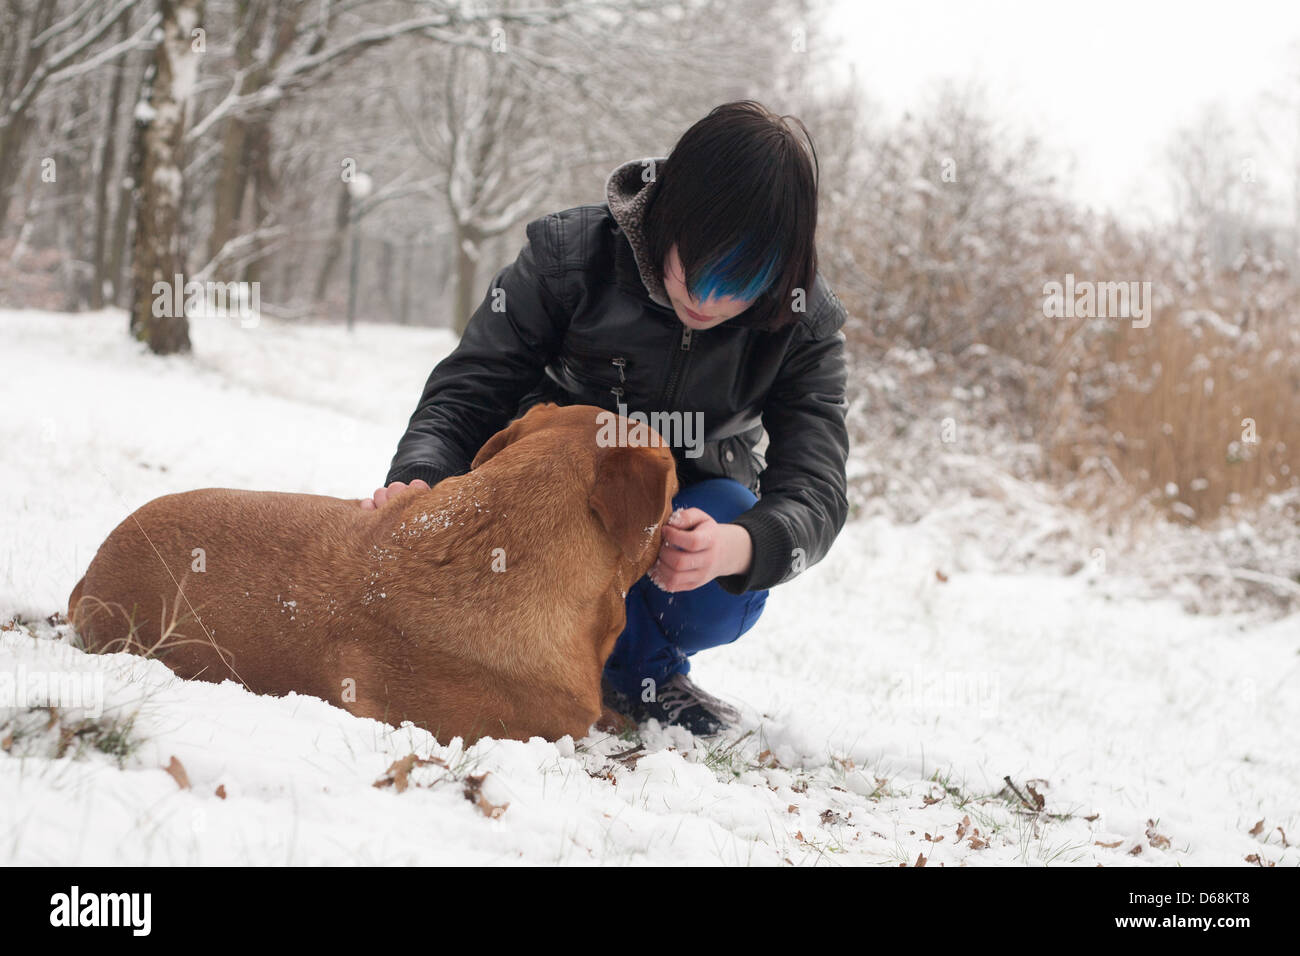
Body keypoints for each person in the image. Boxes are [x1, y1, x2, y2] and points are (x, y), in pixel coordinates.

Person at [363, 101, 850, 735]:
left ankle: (641, 671)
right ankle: (505, 643)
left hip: (679, 516)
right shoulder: (569, 256)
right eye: (694, 267)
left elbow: (817, 488)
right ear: (668, 215)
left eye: (741, 281)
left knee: (730, 518)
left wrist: (739, 546)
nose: (705, 301)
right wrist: (423, 475)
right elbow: (468, 390)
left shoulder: (805, 325)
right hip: (541, 500)